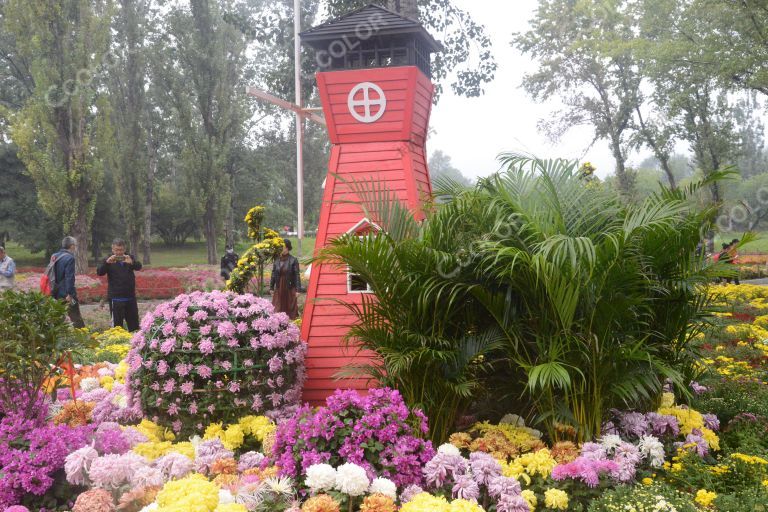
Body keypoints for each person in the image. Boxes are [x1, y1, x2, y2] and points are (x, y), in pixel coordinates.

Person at [97, 238, 143, 332]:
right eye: (117, 250)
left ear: (124, 249)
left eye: (121, 250)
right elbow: (100, 272)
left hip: (130, 297)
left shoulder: (129, 257)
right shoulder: (108, 259)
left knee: (134, 326)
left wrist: (132, 262)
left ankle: (135, 345)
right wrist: (107, 263)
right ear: (112, 249)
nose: (119, 252)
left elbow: (139, 267)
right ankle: (118, 346)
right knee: (117, 328)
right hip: (116, 299)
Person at [53, 236, 85, 328]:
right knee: (76, 317)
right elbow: (69, 277)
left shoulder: (54, 256)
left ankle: (58, 337)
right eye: (75, 245)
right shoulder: (70, 258)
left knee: (58, 317)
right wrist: (70, 294)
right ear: (71, 246)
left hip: (55, 291)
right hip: (66, 293)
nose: (75, 247)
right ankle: (83, 338)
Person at [269, 239, 301, 319]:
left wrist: (298, 290)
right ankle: (278, 323)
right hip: (279, 286)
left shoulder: (293, 260)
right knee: (277, 306)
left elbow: (297, 275)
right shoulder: (276, 260)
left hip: (289, 287)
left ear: (287, 248)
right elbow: (273, 274)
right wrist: (271, 287)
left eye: (282, 247)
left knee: (290, 307)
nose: (281, 249)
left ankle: (290, 324)